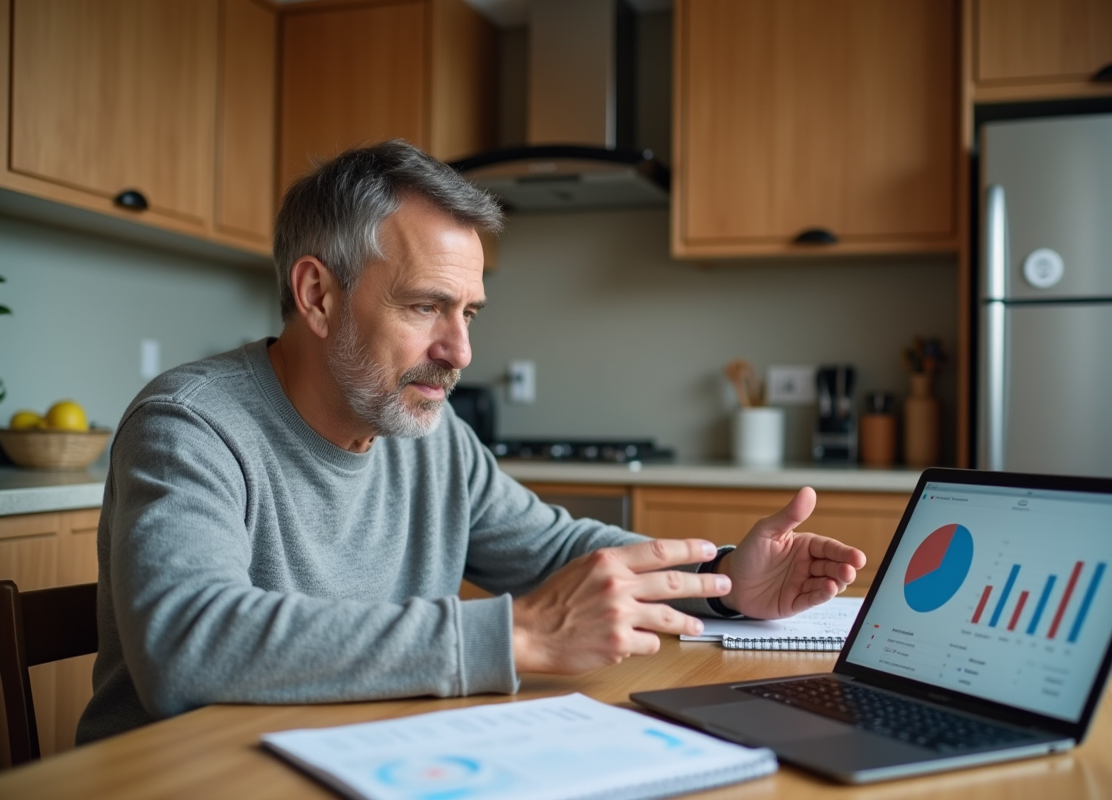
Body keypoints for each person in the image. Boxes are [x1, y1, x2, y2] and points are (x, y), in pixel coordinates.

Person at [77, 140, 866, 744]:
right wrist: (517, 634)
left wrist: (723, 581)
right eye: (426, 306)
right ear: (317, 295)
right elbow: (184, 643)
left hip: (363, 758)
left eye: (469, 312)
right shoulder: (191, 423)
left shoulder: (428, 434)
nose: (459, 351)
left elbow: (556, 551)